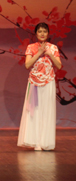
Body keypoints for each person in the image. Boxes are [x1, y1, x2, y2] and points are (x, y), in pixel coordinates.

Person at [18, 22, 61, 151]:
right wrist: (39, 53)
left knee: (47, 110)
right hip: (34, 82)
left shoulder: (53, 48)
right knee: (34, 111)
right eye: (40, 31)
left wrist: (49, 54)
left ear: (48, 33)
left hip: (49, 81)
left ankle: (45, 141)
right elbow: (27, 65)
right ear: (36, 33)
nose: (42, 33)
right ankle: (35, 141)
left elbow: (59, 66)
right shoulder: (31, 47)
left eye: (44, 31)